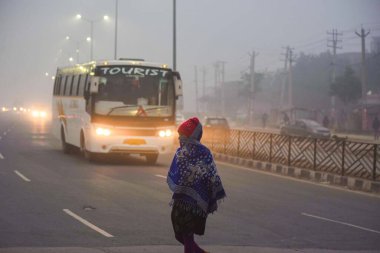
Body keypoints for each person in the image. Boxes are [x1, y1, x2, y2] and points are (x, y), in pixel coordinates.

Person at [167, 117, 226, 253]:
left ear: (192, 135)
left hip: (197, 202)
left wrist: (209, 191)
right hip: (180, 199)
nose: (180, 138)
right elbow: (176, 172)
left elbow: (211, 174)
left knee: (187, 234)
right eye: (179, 135)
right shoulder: (180, 152)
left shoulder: (204, 152)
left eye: (182, 135)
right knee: (179, 233)